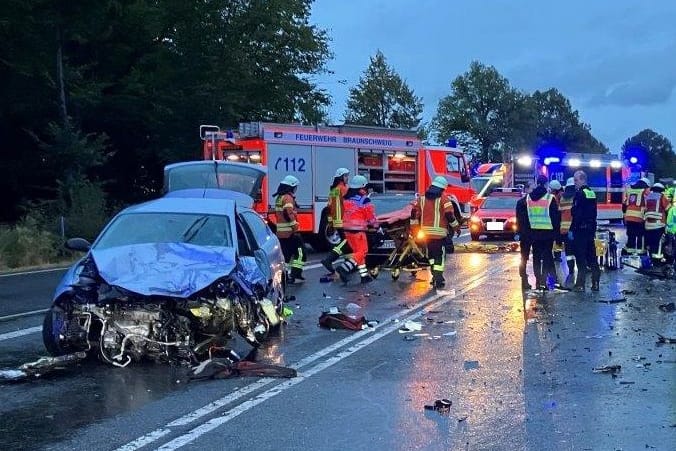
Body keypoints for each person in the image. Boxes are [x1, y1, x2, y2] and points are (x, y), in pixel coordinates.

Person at [411, 176, 460, 288]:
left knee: (431, 257)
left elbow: (414, 213)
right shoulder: (444, 199)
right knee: (439, 258)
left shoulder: (421, 199)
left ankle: (434, 276)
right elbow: (449, 216)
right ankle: (438, 279)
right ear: (443, 188)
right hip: (439, 235)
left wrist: (414, 229)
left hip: (425, 235)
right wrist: (456, 227)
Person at [517, 175, 560, 290]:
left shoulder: (529, 199)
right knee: (546, 257)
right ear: (546, 184)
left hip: (534, 232)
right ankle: (543, 281)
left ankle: (538, 280)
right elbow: (555, 218)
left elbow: (524, 217)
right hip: (547, 233)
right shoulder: (550, 198)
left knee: (536, 258)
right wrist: (557, 235)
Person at [336, 175, 378, 284]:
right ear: (362, 187)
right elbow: (370, 216)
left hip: (347, 230)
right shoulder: (364, 200)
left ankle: (364, 276)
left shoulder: (346, 198)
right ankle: (344, 268)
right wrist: (377, 226)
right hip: (358, 230)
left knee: (357, 252)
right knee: (363, 252)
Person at [570, 170, 601, 292]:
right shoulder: (591, 193)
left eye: (576, 180)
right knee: (592, 257)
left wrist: (572, 229)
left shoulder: (579, 194)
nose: (575, 183)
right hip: (590, 229)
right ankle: (595, 283)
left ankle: (580, 284)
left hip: (580, 231)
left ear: (582, 179)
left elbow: (577, 214)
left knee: (580, 257)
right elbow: (593, 213)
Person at [273, 175, 306, 284]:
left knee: (286, 256)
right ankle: (295, 273)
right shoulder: (287, 198)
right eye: (295, 187)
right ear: (291, 187)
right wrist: (295, 228)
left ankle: (285, 275)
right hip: (290, 232)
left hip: (281, 233)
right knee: (301, 253)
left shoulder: (279, 197)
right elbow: (289, 213)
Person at [321, 168, 352, 273]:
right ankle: (329, 259)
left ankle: (348, 262)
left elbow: (329, 207)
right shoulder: (344, 189)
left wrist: (331, 222)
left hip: (337, 221)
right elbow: (350, 204)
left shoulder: (333, 190)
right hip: (344, 220)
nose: (347, 178)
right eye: (346, 176)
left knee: (346, 243)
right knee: (346, 242)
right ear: (341, 178)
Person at [622, 177, 651, 255]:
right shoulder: (644, 191)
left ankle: (629, 250)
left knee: (631, 234)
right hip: (639, 217)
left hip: (629, 216)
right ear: (647, 185)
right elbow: (649, 202)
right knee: (640, 235)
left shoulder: (629, 190)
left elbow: (624, 204)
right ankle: (640, 251)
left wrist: (624, 214)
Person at [557, 177, 577, 287]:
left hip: (564, 229)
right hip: (575, 229)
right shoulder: (577, 196)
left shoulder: (562, 198)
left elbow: (560, 213)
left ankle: (571, 271)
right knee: (578, 251)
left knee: (569, 253)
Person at [644, 182, 671, 262]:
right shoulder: (661, 196)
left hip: (648, 224)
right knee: (659, 242)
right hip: (658, 224)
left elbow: (645, 209)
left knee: (651, 242)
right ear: (661, 190)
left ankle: (651, 259)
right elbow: (667, 208)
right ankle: (658, 260)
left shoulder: (648, 197)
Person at [549, 180, 563, 262]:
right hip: (557, 220)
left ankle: (557, 256)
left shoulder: (557, 196)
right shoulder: (559, 195)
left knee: (557, 240)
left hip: (556, 221)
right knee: (558, 240)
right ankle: (557, 256)